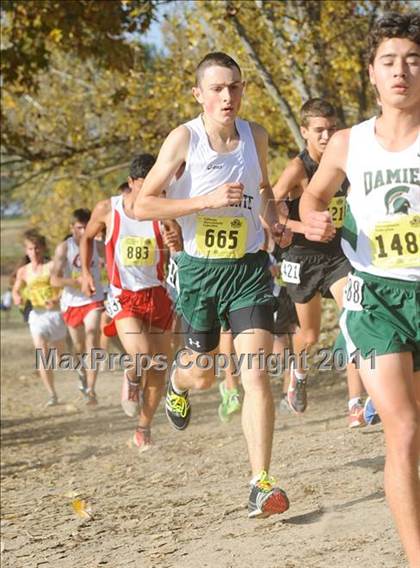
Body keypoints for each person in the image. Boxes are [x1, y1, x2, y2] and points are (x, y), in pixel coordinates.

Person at [134, 52, 292, 517]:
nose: (228, 96)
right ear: (198, 94)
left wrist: (273, 220)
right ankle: (179, 385)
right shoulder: (184, 139)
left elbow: (263, 190)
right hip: (201, 274)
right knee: (201, 373)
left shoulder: (255, 136)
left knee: (256, 371)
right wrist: (203, 200)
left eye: (236, 87)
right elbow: (143, 205)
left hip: (247, 268)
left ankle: (260, 482)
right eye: (218, 88)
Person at [300, 12, 420, 566]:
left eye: (413, 61)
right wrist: (315, 219)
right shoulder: (348, 143)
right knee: (402, 427)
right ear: (371, 73)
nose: (402, 72)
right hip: (374, 296)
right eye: (390, 62)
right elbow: (312, 198)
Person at [273, 98, 369, 427]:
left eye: (331, 129)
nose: (327, 136)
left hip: (338, 254)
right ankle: (298, 374)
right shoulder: (297, 169)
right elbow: (269, 208)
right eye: (319, 131)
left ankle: (355, 402)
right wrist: (301, 226)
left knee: (352, 318)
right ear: (304, 133)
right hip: (302, 257)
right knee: (310, 334)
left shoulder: (345, 159)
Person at [80, 154, 174, 452]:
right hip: (124, 296)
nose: (153, 192)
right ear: (132, 183)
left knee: (159, 368)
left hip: (157, 295)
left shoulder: (164, 211)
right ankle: (131, 378)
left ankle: (142, 430)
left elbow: (179, 248)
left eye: (158, 185)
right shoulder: (109, 209)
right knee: (142, 353)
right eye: (146, 186)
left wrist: (177, 243)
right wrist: (85, 271)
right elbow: (86, 238)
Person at [51, 209, 105, 405]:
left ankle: (91, 389)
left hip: (93, 299)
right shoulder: (64, 248)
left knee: (92, 336)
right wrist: (77, 282)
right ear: (71, 228)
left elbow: (117, 263)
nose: (83, 231)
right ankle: (81, 374)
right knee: (79, 347)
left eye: (86, 227)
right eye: (79, 227)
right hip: (72, 302)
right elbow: (54, 280)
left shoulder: (99, 246)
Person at [12, 230, 67, 406]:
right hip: (36, 315)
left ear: (42, 248)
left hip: (55, 315)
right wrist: (17, 297)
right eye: (30, 249)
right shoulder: (23, 271)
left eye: (36, 248)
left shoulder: (51, 266)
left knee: (60, 358)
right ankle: (52, 394)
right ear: (26, 251)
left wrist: (56, 299)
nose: (34, 252)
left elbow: (66, 287)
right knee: (42, 353)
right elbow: (16, 289)